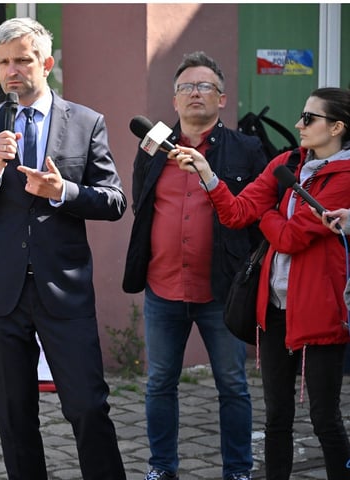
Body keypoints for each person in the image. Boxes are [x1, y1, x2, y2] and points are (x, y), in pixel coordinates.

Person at [0, 17, 127, 480]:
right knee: (14, 417)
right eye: (4, 62)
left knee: (88, 407)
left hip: (62, 289)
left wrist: (63, 190)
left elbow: (114, 201)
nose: (12, 70)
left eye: (23, 60)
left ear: (45, 63)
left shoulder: (86, 122)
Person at [172, 87, 350, 480]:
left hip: (321, 310)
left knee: (324, 418)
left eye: (310, 118)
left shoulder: (346, 176)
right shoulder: (287, 163)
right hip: (273, 307)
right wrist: (207, 173)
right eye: (302, 115)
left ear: (337, 127)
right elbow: (236, 212)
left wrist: (266, 213)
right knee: (277, 418)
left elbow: (289, 238)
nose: (298, 125)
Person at [122, 51, 266, 480]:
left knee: (233, 385)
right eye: (186, 87)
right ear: (175, 98)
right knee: (159, 384)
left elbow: (257, 214)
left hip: (220, 291)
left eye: (205, 87)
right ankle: (162, 468)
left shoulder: (246, 149)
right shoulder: (153, 145)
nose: (195, 94)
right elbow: (142, 204)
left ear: (222, 99)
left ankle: (238, 470)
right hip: (162, 288)